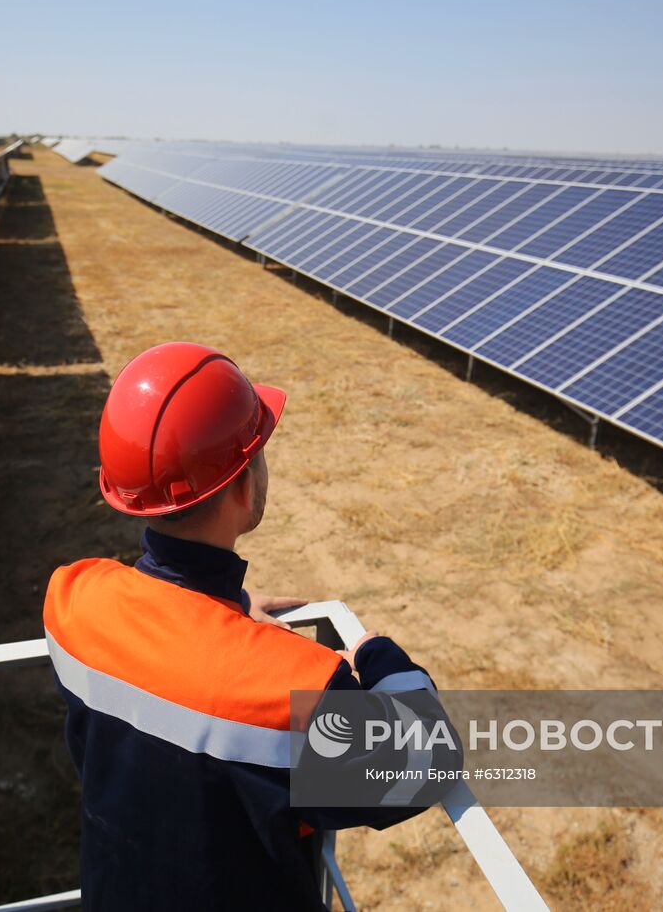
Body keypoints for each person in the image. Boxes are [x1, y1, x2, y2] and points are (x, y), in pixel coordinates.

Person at [42, 341, 446, 910]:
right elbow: (425, 759)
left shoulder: (72, 599)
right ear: (241, 484)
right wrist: (376, 653)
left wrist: (221, 610)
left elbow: (165, 647)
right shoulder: (288, 687)